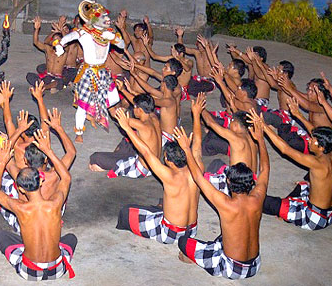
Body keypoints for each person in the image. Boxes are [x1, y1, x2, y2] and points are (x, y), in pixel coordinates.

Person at [176, 116, 269, 280]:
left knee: (184, 242)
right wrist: (260, 139)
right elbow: (265, 168)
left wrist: (186, 149)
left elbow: (198, 177)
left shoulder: (225, 203)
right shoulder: (258, 197)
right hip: (255, 265)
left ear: (228, 181)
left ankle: (205, 260)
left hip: (231, 268)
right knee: (230, 233)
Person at [0, 130, 77, 280]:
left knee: (1, 235)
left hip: (29, 272)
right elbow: (66, 177)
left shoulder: (19, 207)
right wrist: (48, 151)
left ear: (20, 188)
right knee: (71, 238)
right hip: (57, 269)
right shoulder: (56, 203)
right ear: (41, 181)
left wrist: (3, 161)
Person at [114, 109, 200, 244]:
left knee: (126, 212)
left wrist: (127, 128)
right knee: (161, 206)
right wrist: (196, 114)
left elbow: (146, 153)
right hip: (192, 230)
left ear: (167, 160)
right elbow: (198, 143)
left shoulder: (169, 176)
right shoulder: (197, 169)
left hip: (171, 233)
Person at [54, 0, 125, 143]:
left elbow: (122, 46)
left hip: (103, 71)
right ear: (94, 20)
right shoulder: (83, 33)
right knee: (82, 105)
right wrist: (60, 45)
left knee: (114, 99)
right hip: (88, 72)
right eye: (103, 17)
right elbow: (68, 37)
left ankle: (97, 115)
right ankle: (79, 131)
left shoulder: (108, 34)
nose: (108, 19)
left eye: (106, 16)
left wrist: (115, 39)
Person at [261, 121, 332, 230]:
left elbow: (285, 150)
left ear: (321, 147)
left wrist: (264, 127)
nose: (309, 140)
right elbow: (320, 134)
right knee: (303, 186)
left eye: (312, 140)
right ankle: (286, 210)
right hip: (329, 215)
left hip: (313, 219)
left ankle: (285, 212)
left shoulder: (316, 162)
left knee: (263, 201)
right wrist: (298, 115)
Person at [89, 93, 161, 179]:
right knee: (126, 141)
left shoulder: (141, 125)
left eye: (135, 107)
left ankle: (112, 166)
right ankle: (116, 158)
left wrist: (107, 101)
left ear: (140, 110)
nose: (133, 109)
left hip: (142, 169)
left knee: (95, 158)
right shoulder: (154, 117)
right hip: (156, 164)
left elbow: (116, 116)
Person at [26, 16, 75, 91]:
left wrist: (61, 29)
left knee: (58, 83)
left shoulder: (64, 52)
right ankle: (44, 85)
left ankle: (43, 87)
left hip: (57, 78)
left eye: (58, 40)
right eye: (54, 40)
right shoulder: (48, 49)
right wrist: (36, 29)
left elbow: (67, 41)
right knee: (29, 76)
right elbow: (36, 42)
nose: (55, 41)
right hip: (48, 76)